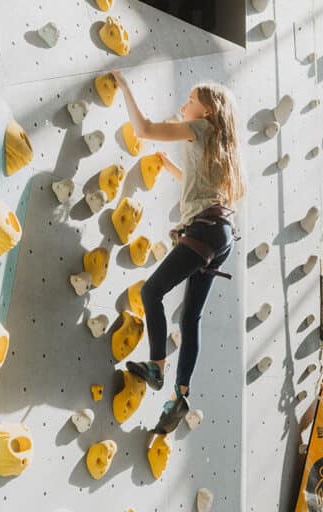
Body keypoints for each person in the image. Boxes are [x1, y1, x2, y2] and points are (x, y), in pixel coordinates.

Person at [108, 70, 246, 434]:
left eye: (190, 100)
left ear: (207, 110)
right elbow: (201, 188)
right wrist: (170, 169)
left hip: (204, 231)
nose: (184, 104)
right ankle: (180, 395)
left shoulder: (200, 128)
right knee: (190, 319)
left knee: (151, 291)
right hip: (222, 235)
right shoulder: (218, 144)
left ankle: (157, 366)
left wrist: (125, 86)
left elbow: (144, 128)